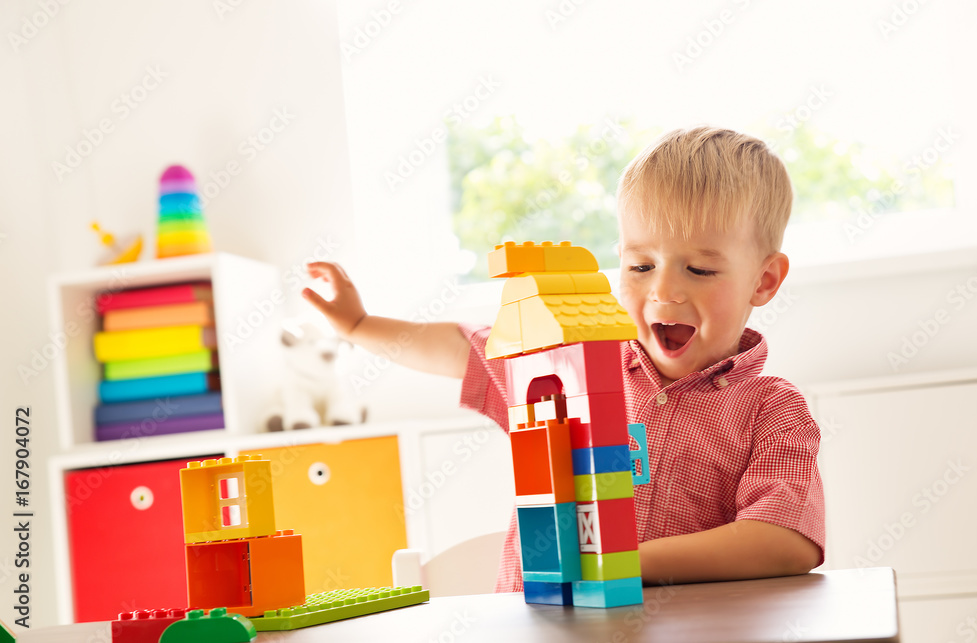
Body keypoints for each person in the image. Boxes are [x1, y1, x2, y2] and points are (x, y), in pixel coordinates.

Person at [303, 126, 824, 591]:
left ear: (764, 280)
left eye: (701, 270)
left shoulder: (770, 409)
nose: (664, 291)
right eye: (641, 266)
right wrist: (358, 326)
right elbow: (465, 350)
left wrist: (623, 562)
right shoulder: (567, 364)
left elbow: (785, 540)